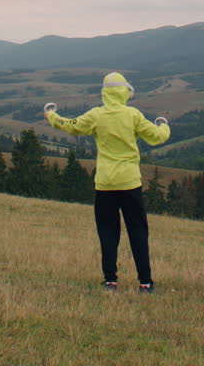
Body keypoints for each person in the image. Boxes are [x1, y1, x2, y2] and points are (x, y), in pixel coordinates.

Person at [44, 72, 171, 294]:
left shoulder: (96, 115)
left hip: (105, 184)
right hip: (130, 183)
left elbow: (71, 125)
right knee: (138, 232)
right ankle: (145, 283)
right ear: (124, 92)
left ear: (105, 92)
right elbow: (156, 137)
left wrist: (51, 114)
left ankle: (110, 281)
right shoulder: (133, 115)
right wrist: (163, 124)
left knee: (108, 232)